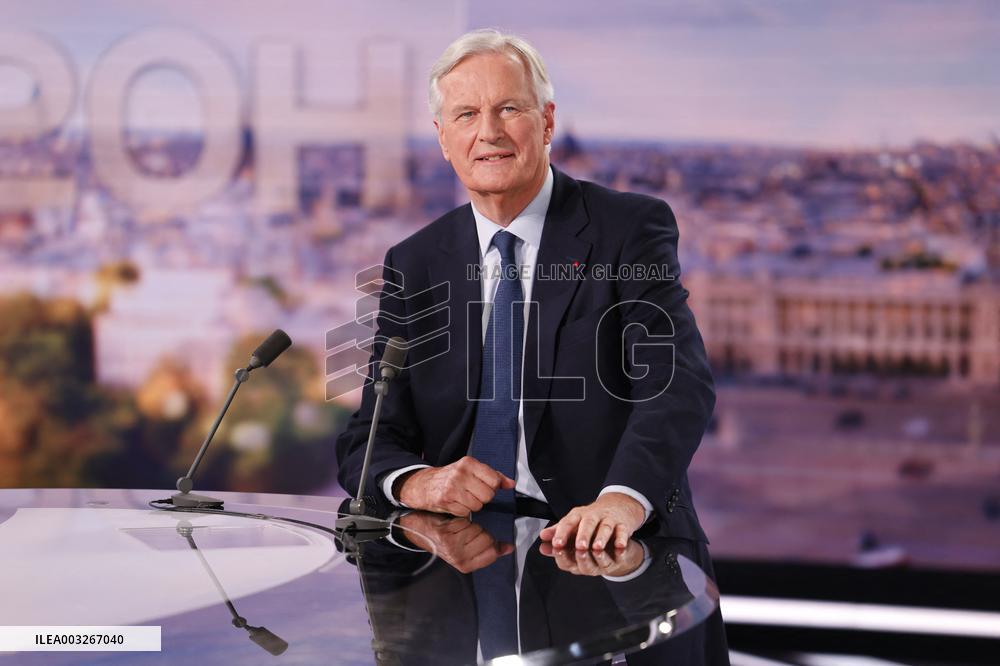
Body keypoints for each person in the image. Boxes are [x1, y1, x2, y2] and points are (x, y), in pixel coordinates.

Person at [336, 27, 715, 556]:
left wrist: (622, 500)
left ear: (547, 122)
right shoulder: (416, 262)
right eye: (466, 115)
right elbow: (372, 433)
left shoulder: (628, 228)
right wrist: (416, 482)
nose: (488, 132)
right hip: (457, 559)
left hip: (607, 548)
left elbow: (677, 386)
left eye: (509, 109)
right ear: (444, 138)